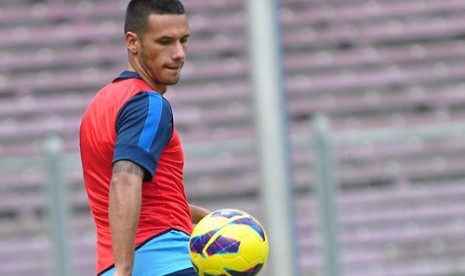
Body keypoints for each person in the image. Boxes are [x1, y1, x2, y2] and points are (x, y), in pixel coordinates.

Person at [79, 0, 210, 275]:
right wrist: (125, 271)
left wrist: (210, 219)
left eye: (183, 40)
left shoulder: (100, 104)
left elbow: (149, 199)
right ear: (133, 42)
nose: (178, 54)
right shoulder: (149, 104)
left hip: (109, 264)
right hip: (166, 263)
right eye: (165, 42)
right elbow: (125, 181)